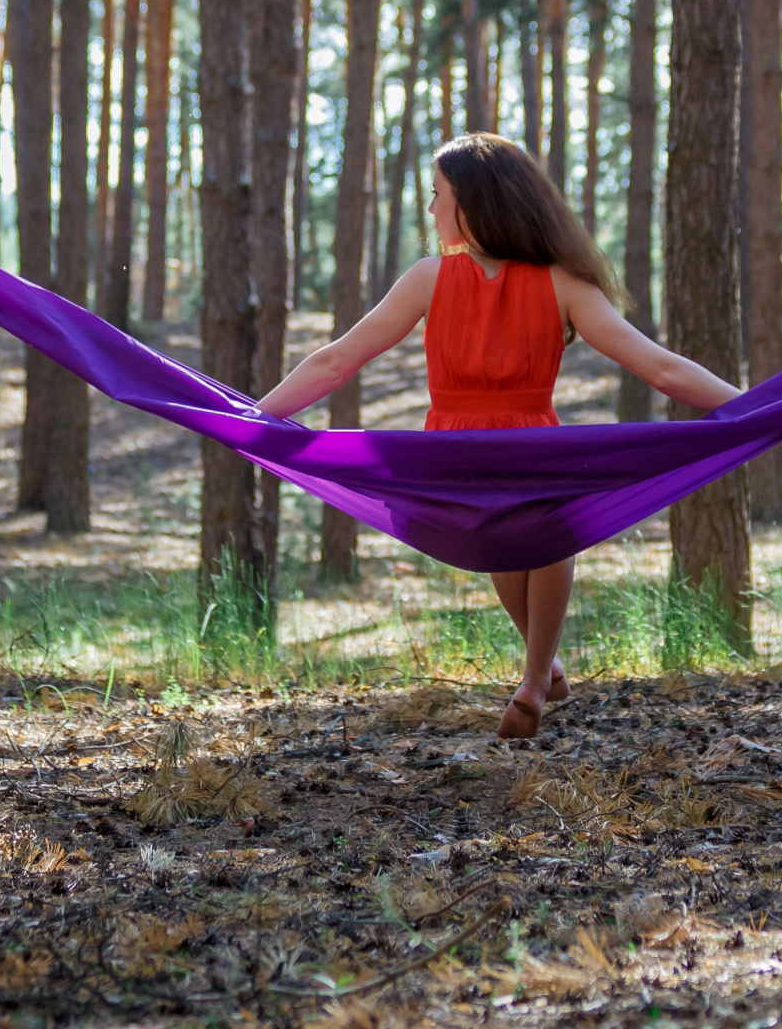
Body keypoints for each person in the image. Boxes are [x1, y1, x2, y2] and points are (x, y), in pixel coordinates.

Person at [257, 133, 739, 739]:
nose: (430, 211)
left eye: (438, 196)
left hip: (459, 453)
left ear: (474, 203)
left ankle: (537, 678)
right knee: (537, 539)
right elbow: (661, 368)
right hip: (528, 444)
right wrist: (750, 407)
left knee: (520, 542)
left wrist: (256, 418)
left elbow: (337, 361)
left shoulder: (432, 278)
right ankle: (543, 670)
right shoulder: (559, 281)